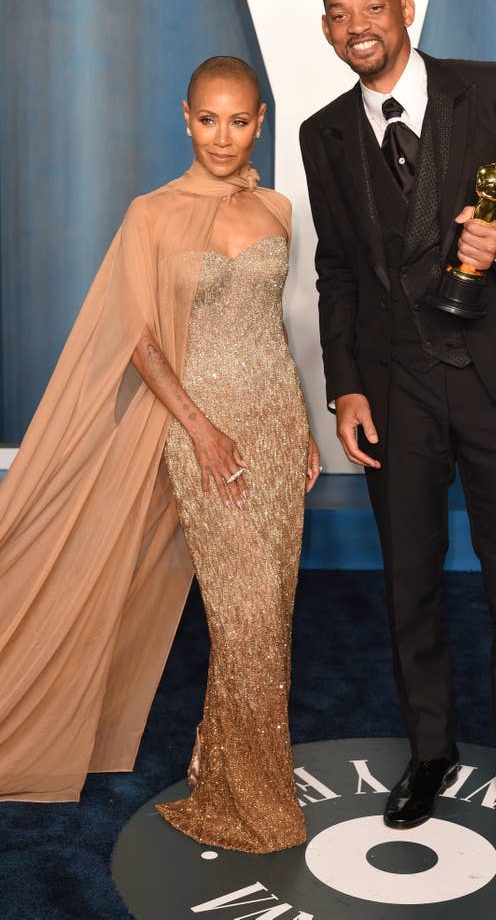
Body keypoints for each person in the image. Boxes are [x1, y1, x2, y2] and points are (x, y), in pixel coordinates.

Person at [300, 0, 496, 845]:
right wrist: (346, 386)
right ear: (326, 30)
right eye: (341, 14)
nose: (360, 27)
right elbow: (339, 272)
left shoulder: (489, 88)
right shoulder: (323, 134)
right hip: (397, 393)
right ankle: (431, 750)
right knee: (410, 583)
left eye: (374, 7)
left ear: (406, 8)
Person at [0, 56, 319, 854]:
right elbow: (139, 339)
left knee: (269, 613)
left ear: (261, 120)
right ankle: (248, 797)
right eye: (208, 119)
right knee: (241, 613)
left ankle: (229, 773)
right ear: (185, 117)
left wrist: (304, 424)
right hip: (200, 428)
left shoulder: (279, 208)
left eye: (239, 120)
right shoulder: (151, 213)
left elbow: (272, 330)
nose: (223, 135)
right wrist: (201, 428)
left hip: (275, 425)